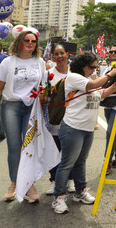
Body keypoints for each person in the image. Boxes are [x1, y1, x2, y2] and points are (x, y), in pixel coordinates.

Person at [51, 52, 116, 214]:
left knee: (81, 161)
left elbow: (101, 94)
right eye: (91, 67)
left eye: (95, 67)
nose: (93, 70)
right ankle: (59, 197)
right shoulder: (73, 78)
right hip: (72, 128)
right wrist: (110, 74)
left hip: (87, 129)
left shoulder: (89, 81)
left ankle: (80, 191)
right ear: (81, 66)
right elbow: (92, 86)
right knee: (67, 163)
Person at [0, 30, 46, 203]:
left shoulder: (40, 62)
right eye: (27, 40)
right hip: (11, 107)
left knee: (29, 147)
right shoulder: (8, 62)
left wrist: (44, 96)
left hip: (32, 108)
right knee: (14, 146)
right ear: (20, 41)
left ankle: (29, 185)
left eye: (33, 41)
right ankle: (14, 182)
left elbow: (44, 87)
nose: (30, 43)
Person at [43, 44, 75, 196]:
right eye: (56, 54)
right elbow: (44, 96)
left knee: (71, 152)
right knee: (54, 151)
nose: (60, 56)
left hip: (74, 118)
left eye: (62, 53)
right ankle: (54, 180)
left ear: (67, 54)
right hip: (55, 118)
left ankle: (71, 180)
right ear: (53, 57)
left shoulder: (75, 73)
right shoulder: (48, 74)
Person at [100, 45, 116, 175]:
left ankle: (107, 161)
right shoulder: (107, 69)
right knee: (115, 132)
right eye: (111, 51)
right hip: (108, 104)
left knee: (110, 132)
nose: (113, 53)